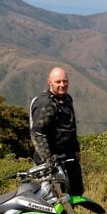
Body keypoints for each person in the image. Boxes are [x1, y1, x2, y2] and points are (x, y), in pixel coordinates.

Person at [29, 67, 84, 196]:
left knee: (74, 193)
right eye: (58, 82)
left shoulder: (67, 99)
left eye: (65, 81)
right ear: (49, 82)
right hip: (51, 160)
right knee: (53, 197)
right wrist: (48, 161)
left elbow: (70, 126)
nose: (62, 85)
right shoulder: (45, 103)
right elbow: (38, 133)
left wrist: (76, 149)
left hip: (68, 157)